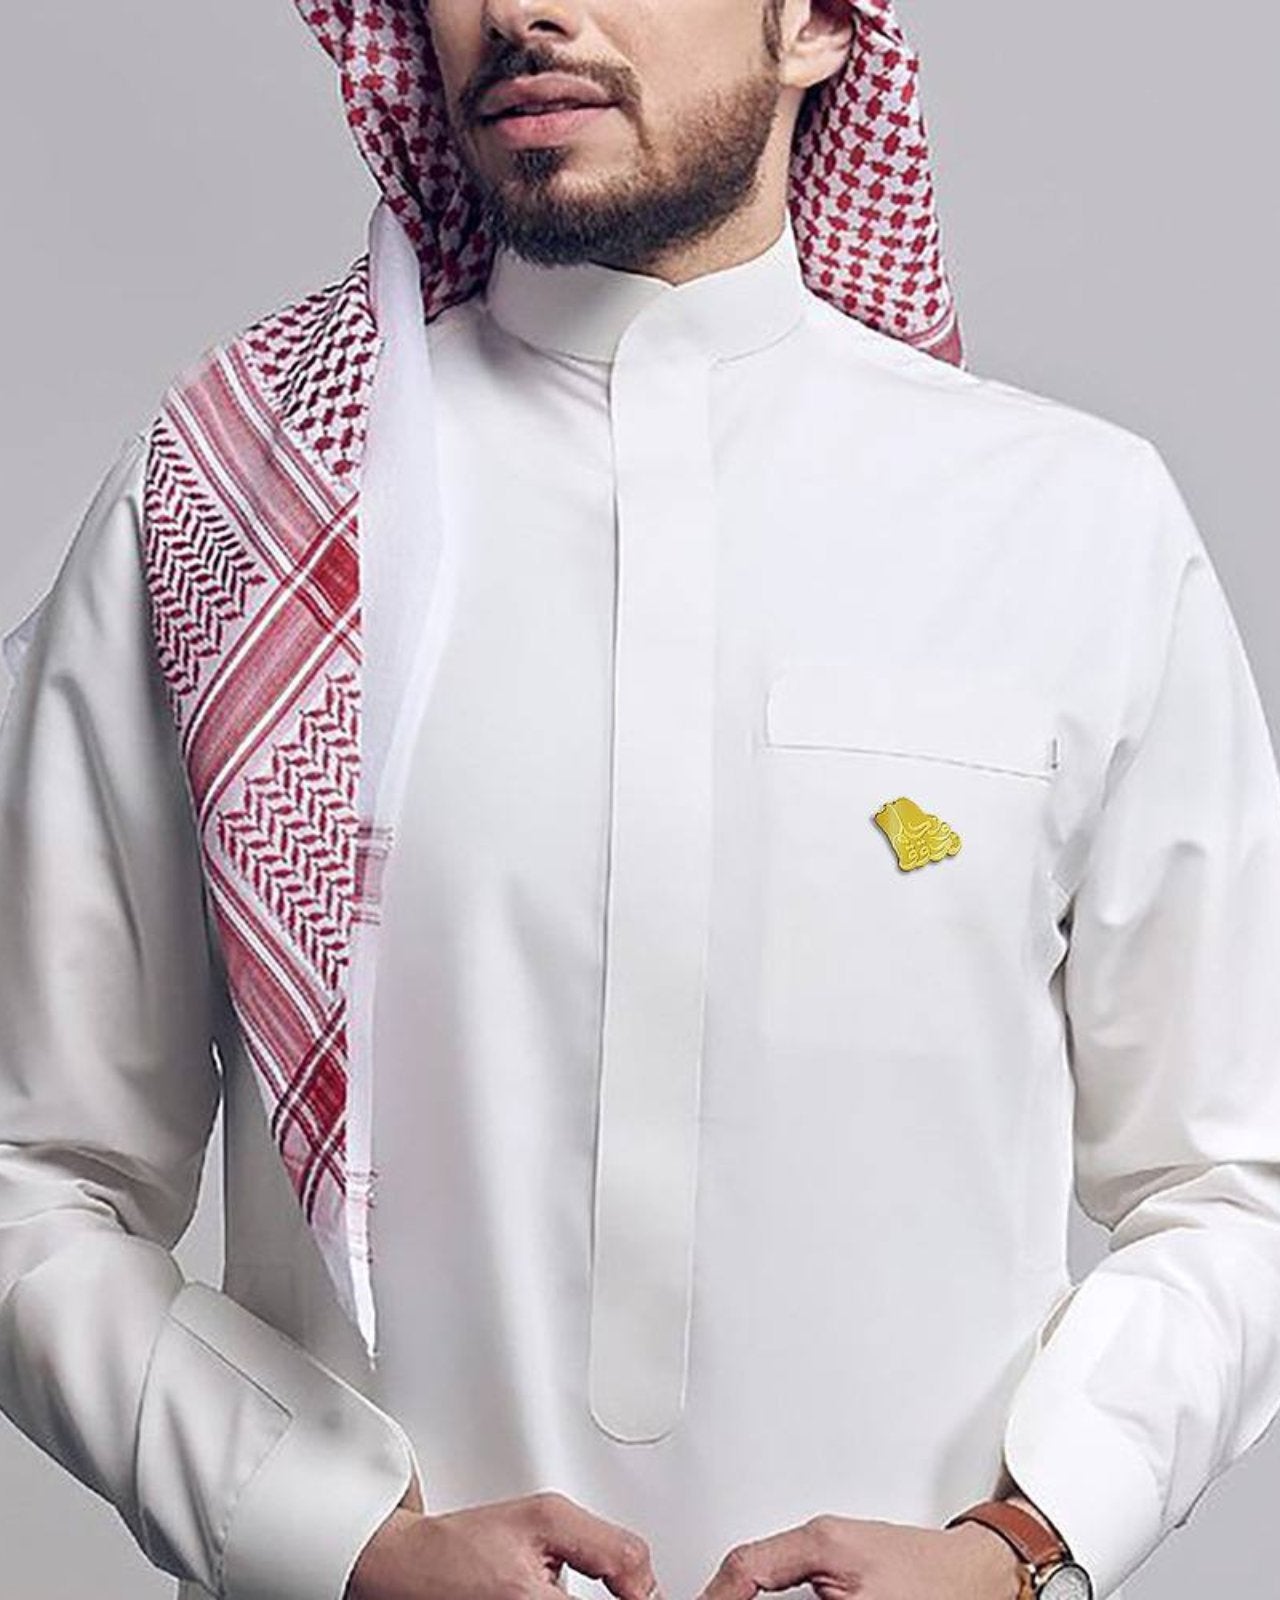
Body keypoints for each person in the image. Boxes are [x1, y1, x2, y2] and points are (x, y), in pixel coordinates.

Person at [2, 3, 1279, 1600]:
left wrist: (1024, 1546)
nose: (523, 10)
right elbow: (34, 1174)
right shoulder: (239, 521)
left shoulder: (1073, 528)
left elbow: (1235, 1185)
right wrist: (334, 1542)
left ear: (817, 23)